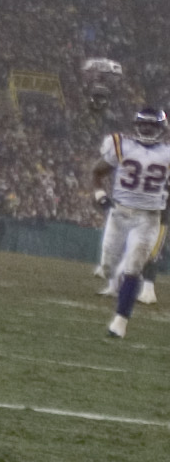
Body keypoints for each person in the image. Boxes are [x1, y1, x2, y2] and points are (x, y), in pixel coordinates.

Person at [93, 106, 170, 340]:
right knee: (107, 266)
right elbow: (97, 172)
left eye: (151, 124)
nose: (146, 128)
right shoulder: (122, 145)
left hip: (148, 218)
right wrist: (99, 195)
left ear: (161, 128)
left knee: (134, 267)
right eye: (143, 124)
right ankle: (112, 277)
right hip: (119, 213)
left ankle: (120, 322)